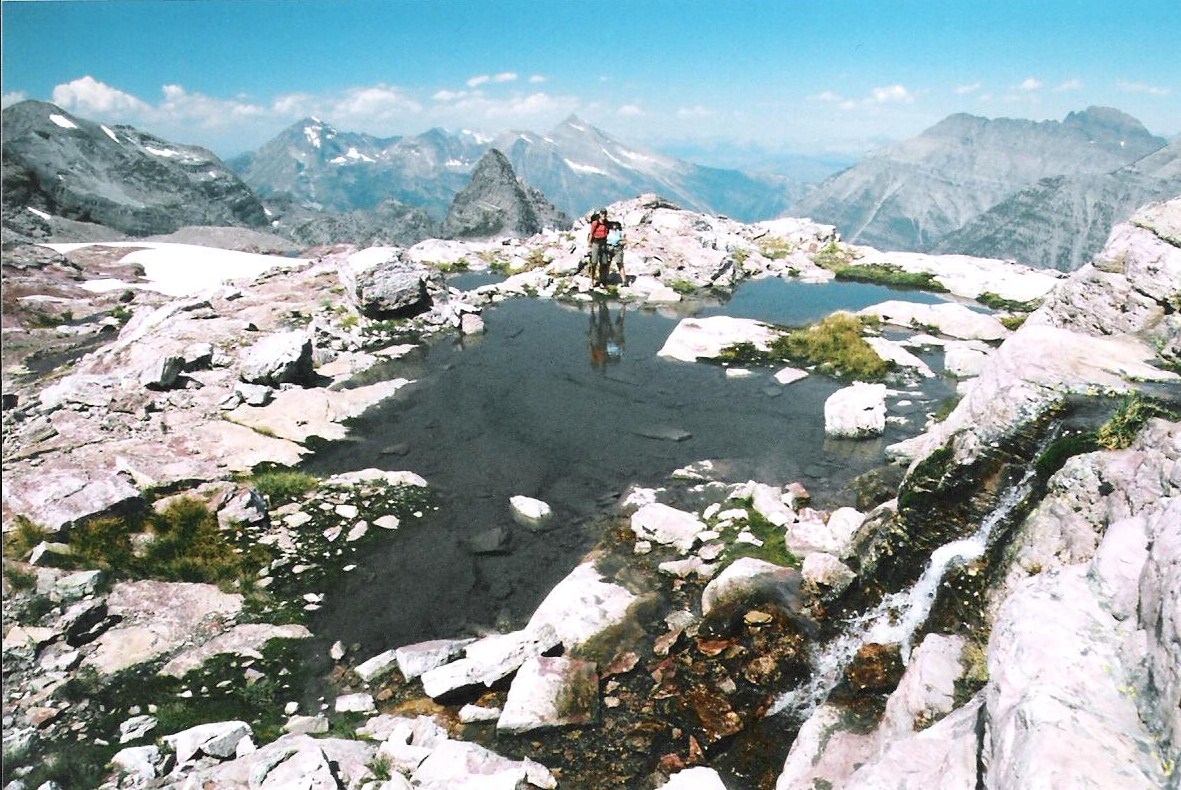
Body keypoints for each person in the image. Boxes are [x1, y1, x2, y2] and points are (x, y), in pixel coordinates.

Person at [587, 209, 610, 285]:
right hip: (596, 243)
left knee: (604, 263)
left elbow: (607, 232)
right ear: (600, 214)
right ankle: (592, 280)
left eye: (605, 214)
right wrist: (589, 245)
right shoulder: (595, 223)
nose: (604, 215)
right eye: (602, 214)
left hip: (603, 243)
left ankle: (602, 280)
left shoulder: (606, 223)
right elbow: (591, 233)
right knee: (594, 262)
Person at [606, 219, 627, 285]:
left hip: (617, 248)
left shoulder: (620, 232)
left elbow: (625, 241)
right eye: (613, 224)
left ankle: (624, 281)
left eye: (616, 224)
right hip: (608, 247)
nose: (614, 225)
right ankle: (605, 279)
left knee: (620, 264)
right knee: (607, 264)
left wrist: (620, 243)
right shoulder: (608, 231)